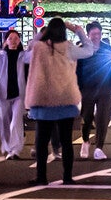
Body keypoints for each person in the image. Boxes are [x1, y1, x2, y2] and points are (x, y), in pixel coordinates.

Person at [24, 18, 94, 185]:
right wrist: (78, 30)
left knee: (41, 142)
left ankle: (41, 177)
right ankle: (67, 177)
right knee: (66, 141)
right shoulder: (69, 48)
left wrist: (41, 33)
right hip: (65, 99)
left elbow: (26, 55)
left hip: (43, 99)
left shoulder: (39, 48)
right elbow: (89, 50)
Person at [76, 21, 111, 160]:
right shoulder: (82, 49)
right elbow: (77, 70)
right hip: (87, 88)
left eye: (98, 33)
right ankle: (85, 140)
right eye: (93, 34)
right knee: (86, 117)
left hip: (105, 87)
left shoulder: (108, 49)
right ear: (88, 35)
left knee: (103, 118)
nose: (96, 36)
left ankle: (99, 147)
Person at [0, 29, 27, 159]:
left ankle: (15, 149)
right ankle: (7, 145)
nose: (13, 41)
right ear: (6, 41)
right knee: (4, 122)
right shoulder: (0, 56)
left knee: (16, 121)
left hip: (19, 94)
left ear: (19, 40)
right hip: (3, 94)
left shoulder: (24, 55)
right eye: (11, 38)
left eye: (16, 38)